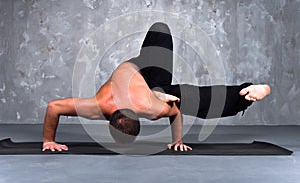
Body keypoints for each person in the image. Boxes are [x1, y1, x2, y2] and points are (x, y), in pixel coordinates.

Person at [42, 22, 271, 152]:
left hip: (143, 71)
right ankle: (245, 93)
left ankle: (245, 93)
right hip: (141, 79)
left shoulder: (138, 106)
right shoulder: (100, 106)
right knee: (162, 37)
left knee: (181, 95)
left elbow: (175, 112)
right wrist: (48, 141)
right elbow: (54, 107)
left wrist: (177, 139)